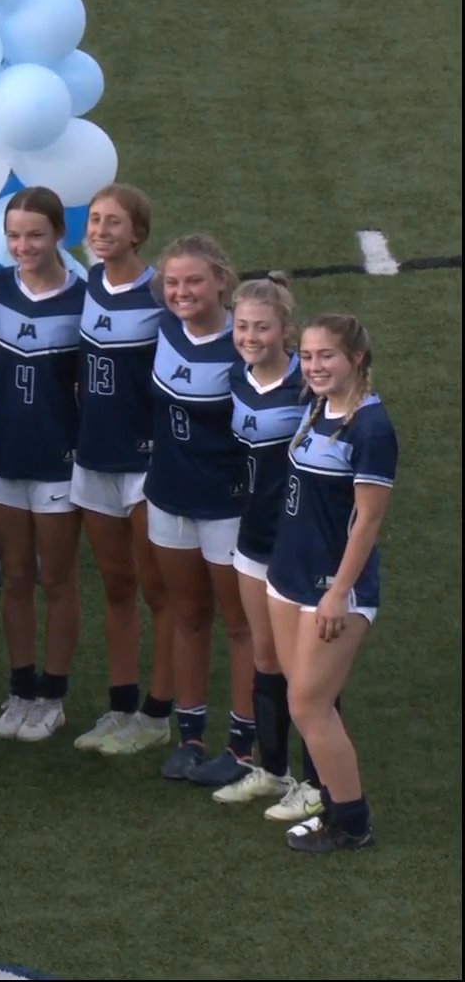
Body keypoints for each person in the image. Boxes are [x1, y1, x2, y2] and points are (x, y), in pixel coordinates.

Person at [266, 314, 393, 852]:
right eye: (310, 356)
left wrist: (339, 591)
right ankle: (330, 804)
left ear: (356, 358)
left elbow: (367, 520)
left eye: (327, 357)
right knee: (310, 701)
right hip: (289, 578)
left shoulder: (371, 428)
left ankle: (353, 823)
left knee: (309, 706)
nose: (315, 366)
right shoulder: (320, 406)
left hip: (331, 586)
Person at [144, 234, 256, 782]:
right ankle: (189, 735)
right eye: (172, 282)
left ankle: (242, 746)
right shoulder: (164, 326)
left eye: (193, 281)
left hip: (227, 504)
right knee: (188, 615)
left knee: (239, 624)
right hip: (167, 494)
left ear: (220, 282)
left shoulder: (245, 342)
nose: (181, 292)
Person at [69, 185, 176, 756]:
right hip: (93, 457)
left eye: (114, 222)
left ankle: (158, 715)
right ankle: (120, 706)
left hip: (145, 463)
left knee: (158, 591)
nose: (101, 230)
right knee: (115, 587)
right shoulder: (90, 281)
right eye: (94, 220)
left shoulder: (161, 293)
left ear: (138, 232)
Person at [0, 188, 85, 743]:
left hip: (59, 461)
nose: (24, 246)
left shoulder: (84, 299)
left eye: (36, 235)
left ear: (59, 234)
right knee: (16, 577)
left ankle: (54, 694)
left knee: (58, 577)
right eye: (14, 236)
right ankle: (21, 689)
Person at [213, 275, 310, 807]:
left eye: (262, 327)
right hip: (251, 536)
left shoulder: (308, 387)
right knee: (265, 656)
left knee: (307, 667)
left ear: (285, 330)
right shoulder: (237, 378)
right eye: (242, 325)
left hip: (298, 543)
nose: (250, 336)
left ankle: (316, 784)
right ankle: (273, 769)